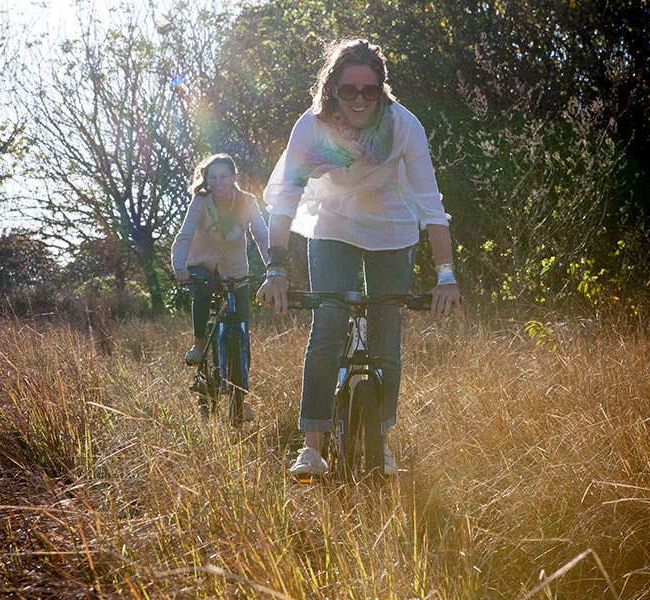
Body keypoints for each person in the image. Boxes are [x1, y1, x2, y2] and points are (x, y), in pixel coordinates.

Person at [257, 39, 461, 478]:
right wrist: (274, 269)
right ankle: (312, 446)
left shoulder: (403, 126)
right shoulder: (312, 129)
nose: (359, 100)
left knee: (387, 334)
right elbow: (286, 200)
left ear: (381, 90)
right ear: (331, 88)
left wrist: (446, 275)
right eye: (349, 90)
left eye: (370, 90)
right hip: (333, 226)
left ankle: (380, 440)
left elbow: (430, 203)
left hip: (391, 228)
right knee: (328, 323)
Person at [172, 153, 269, 365]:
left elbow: (262, 236)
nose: (218, 182)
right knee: (205, 287)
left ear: (234, 176)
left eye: (223, 176)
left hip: (235, 269)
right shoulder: (200, 201)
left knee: (242, 321)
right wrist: (179, 266)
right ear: (206, 179)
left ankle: (240, 378)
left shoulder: (248, 202)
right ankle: (199, 344)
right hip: (201, 265)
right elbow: (185, 234)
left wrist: (273, 269)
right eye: (212, 177)